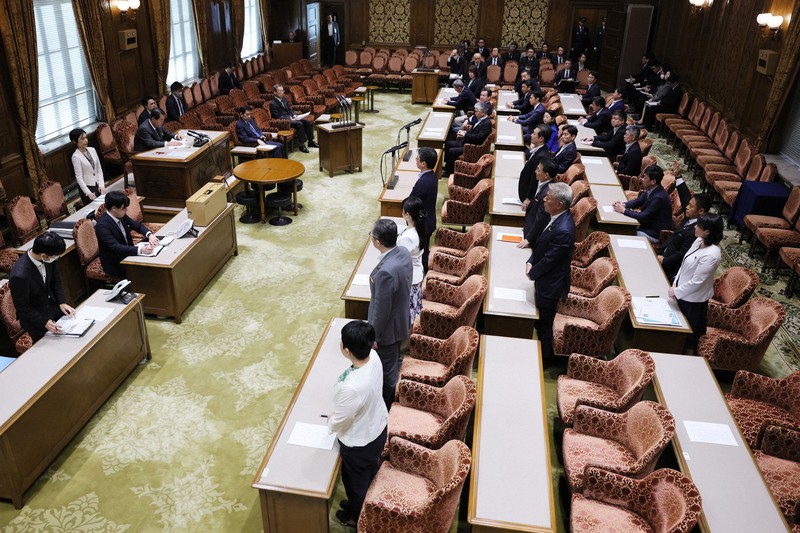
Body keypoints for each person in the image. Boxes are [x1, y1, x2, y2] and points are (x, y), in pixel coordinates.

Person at [328, 320, 388, 528]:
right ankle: (359, 505)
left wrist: (330, 422)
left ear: (346, 350)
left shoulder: (352, 388)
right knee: (368, 476)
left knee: (356, 484)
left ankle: (358, 519)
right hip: (378, 427)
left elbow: (341, 420)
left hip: (360, 443)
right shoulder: (374, 357)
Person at [526, 182, 575, 364]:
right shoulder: (554, 216)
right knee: (540, 322)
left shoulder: (564, 230)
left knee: (545, 325)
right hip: (544, 278)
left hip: (551, 284)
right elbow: (541, 245)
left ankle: (544, 361)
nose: (544, 200)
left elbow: (550, 260)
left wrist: (532, 273)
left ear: (559, 204)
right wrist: (531, 261)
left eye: (548, 197)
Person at [367, 219, 413, 408]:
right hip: (401, 320)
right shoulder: (403, 252)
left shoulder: (385, 272)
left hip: (387, 332)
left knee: (387, 373)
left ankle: (386, 408)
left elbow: (381, 310)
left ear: (378, 242)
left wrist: (374, 335)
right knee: (393, 361)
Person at [669, 213, 723, 353]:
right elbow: (684, 262)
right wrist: (675, 283)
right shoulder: (699, 240)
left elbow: (697, 282)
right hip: (681, 290)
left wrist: (677, 291)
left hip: (693, 301)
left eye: (698, 226)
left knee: (688, 338)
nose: (695, 227)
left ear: (707, 232)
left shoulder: (712, 255)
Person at [9, 232, 75, 343]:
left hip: (52, 305)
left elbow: (56, 280)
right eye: (55, 257)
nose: (56, 259)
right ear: (44, 256)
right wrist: (44, 321)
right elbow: (22, 307)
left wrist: (62, 302)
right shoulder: (19, 275)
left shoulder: (49, 257)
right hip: (35, 317)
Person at [96, 190, 161, 278]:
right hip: (116, 262)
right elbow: (116, 247)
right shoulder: (102, 226)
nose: (126, 210)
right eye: (124, 208)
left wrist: (149, 235)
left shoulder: (120, 214)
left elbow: (135, 225)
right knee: (148, 271)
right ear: (114, 208)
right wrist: (141, 249)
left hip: (128, 252)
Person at [613, 164, 673, 242]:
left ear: (653, 181)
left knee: (624, 232)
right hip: (645, 225)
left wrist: (623, 210)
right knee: (621, 226)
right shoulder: (652, 189)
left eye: (645, 178)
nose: (642, 179)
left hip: (653, 233)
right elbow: (638, 201)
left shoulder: (659, 197)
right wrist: (623, 205)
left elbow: (643, 216)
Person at [658, 194, 711, 281]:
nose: (686, 207)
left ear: (701, 211)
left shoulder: (696, 232)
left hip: (670, 267)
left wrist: (665, 261)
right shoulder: (689, 217)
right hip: (663, 252)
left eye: (690, 206)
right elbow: (683, 194)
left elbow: (683, 254)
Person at [398, 196, 426, 323]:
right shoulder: (418, 228)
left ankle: (408, 336)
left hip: (409, 278)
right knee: (413, 313)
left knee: (408, 316)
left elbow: (398, 258)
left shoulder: (409, 238)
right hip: (416, 273)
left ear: (407, 215)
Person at [443, 101, 492, 176]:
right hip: (468, 141)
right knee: (448, 144)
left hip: (472, 147)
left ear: (483, 113)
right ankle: (448, 165)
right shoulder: (480, 119)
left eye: (477, 111)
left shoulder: (487, 124)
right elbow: (474, 131)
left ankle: (449, 172)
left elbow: (478, 137)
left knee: (451, 151)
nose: (475, 113)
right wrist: (464, 132)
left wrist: (465, 135)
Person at [521, 157, 558, 249]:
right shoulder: (543, 183)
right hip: (529, 227)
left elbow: (541, 219)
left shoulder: (548, 194)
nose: (535, 171)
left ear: (546, 175)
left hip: (534, 237)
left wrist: (529, 238)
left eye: (538, 170)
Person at [410, 147, 438, 270]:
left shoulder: (423, 182)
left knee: (422, 253)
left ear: (423, 164)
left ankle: (424, 274)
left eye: (417, 159)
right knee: (424, 248)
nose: (415, 160)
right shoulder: (432, 175)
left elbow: (412, 201)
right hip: (429, 219)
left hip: (423, 223)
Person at [269, 84, 317, 153]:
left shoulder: (284, 99)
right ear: (274, 92)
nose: (282, 92)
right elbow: (277, 116)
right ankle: (301, 145)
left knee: (306, 122)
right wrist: (289, 118)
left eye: (282, 91)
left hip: (290, 117)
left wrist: (294, 115)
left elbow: (289, 109)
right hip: (283, 121)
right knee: (299, 124)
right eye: (280, 91)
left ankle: (311, 141)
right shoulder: (272, 103)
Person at [69, 128, 106, 205]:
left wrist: (102, 185)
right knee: (94, 207)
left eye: (86, 137)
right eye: (82, 139)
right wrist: (88, 192)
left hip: (98, 183)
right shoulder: (76, 156)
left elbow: (99, 169)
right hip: (88, 186)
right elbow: (79, 178)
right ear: (74, 141)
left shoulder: (92, 150)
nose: (86, 140)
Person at [518, 124, 552, 206]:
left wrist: (529, 198)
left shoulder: (541, 156)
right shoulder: (538, 149)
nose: (531, 135)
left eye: (534, 134)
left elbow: (535, 179)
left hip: (526, 195)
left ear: (541, 139)